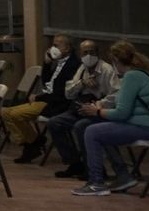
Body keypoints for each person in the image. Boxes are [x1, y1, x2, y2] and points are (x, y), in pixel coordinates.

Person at [71, 42, 149, 196]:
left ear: (116, 60)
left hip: (148, 128)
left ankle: (96, 182)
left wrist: (98, 111)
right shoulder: (143, 73)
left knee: (92, 131)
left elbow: (122, 113)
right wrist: (101, 111)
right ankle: (123, 175)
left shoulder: (132, 76)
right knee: (97, 128)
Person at [49, 39, 121, 179]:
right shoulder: (82, 68)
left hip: (98, 110)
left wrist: (98, 105)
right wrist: (81, 83)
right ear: (81, 54)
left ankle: (94, 167)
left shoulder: (106, 69)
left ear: (97, 53)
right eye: (85, 53)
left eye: (91, 52)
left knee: (80, 127)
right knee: (55, 122)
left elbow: (116, 94)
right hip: (79, 108)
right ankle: (75, 163)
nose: (88, 55)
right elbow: (68, 93)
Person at [5, 34, 80, 163]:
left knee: (15, 114)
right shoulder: (58, 63)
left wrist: (39, 96)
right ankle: (34, 140)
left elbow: (60, 93)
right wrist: (46, 64)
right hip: (47, 98)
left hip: (55, 104)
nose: (53, 48)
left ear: (67, 48)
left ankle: (31, 144)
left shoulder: (73, 65)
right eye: (53, 45)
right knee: (5, 112)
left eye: (56, 45)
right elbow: (47, 83)